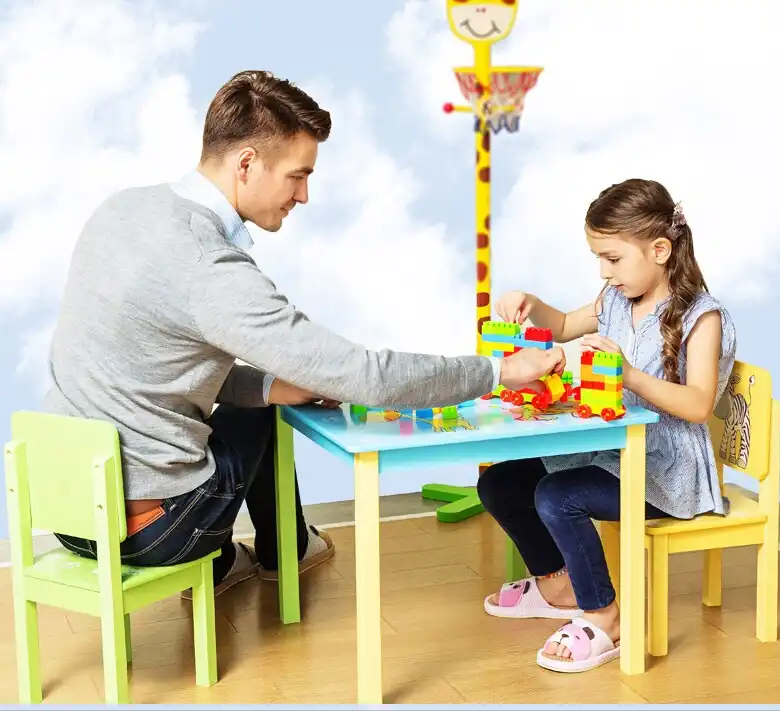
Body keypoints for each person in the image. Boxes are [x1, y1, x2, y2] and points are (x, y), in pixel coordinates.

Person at [42, 69, 566, 598]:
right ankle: (269, 552)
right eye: (297, 175)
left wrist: (271, 385)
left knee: (265, 399)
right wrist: (499, 370)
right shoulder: (208, 267)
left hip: (72, 510)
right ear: (247, 163)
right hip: (153, 529)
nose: (305, 195)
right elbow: (364, 377)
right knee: (261, 417)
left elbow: (151, 362)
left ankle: (263, 555)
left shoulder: (124, 210)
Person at [478, 178, 736, 672]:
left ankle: (605, 617)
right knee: (501, 482)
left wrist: (630, 376)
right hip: (609, 449)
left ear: (659, 250)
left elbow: (699, 404)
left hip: (664, 471)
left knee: (557, 496)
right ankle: (560, 586)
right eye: (598, 258)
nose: (604, 271)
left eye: (613, 258)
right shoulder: (615, 299)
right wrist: (529, 303)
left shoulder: (702, 318)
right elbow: (562, 325)